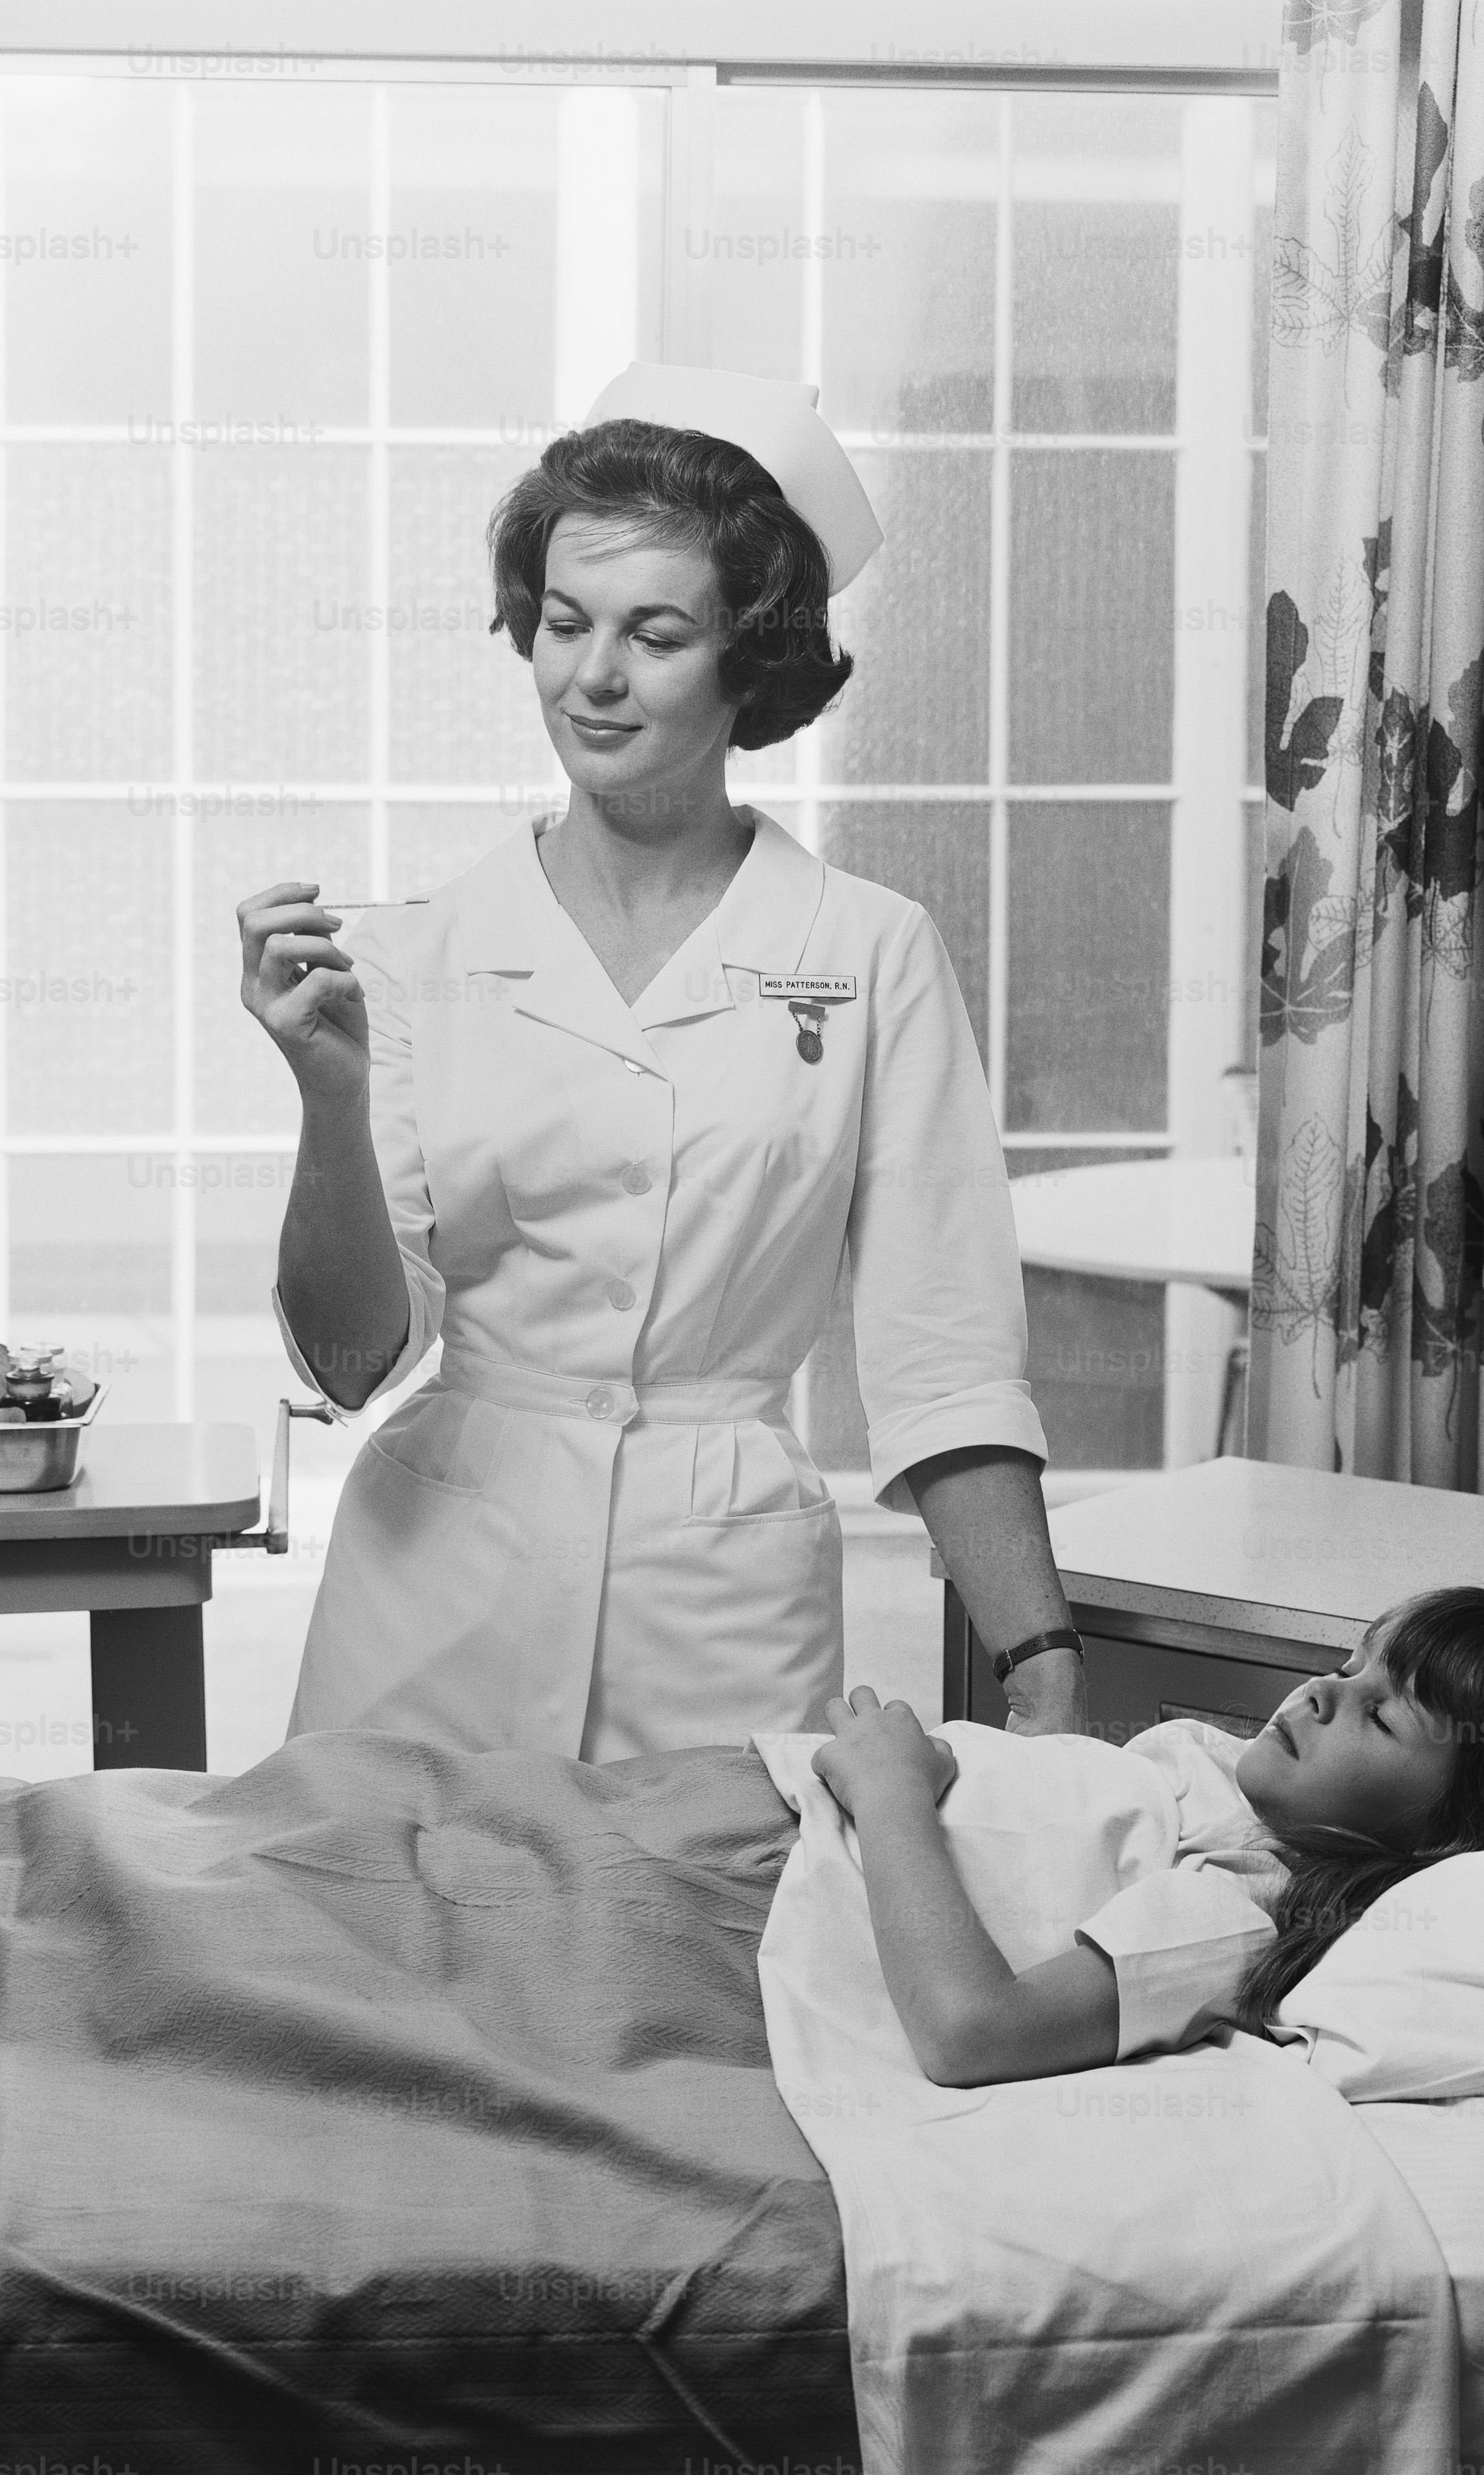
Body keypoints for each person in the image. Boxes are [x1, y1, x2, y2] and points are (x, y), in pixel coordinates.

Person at [238, 362, 1089, 1761]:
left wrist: (1041, 1660)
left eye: (656, 634)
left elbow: (943, 1357)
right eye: (562, 623)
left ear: (746, 660)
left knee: (688, 1965)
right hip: (431, 1596)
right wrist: (327, 1100)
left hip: (721, 1608)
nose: (593, 676)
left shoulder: (870, 953)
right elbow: (346, 1364)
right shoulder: (412, 960)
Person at [809, 1586, 1484, 2086]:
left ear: (1444, 1837)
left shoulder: (1245, 1912)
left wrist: (889, 1790)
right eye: (1352, 1662)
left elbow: (972, 2032)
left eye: (1380, 1717)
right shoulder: (1221, 1770)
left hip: (799, 1869)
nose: (1319, 1691)